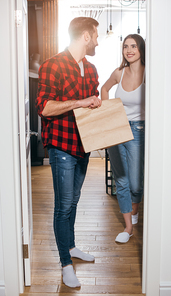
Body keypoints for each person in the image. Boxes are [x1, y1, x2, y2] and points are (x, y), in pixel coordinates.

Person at [36, 17, 101, 288]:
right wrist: (80, 102)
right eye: (96, 35)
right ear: (85, 36)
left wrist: (97, 106)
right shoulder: (53, 65)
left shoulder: (92, 68)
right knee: (63, 207)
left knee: (73, 201)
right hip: (61, 146)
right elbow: (45, 107)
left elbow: (92, 106)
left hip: (82, 145)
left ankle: (71, 247)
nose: (98, 40)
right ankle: (65, 265)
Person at [101, 34, 145, 243]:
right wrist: (107, 114)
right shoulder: (119, 72)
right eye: (126, 46)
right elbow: (104, 88)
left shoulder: (149, 74)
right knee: (122, 179)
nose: (129, 50)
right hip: (116, 128)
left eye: (133, 46)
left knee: (136, 183)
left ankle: (134, 208)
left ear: (141, 49)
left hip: (139, 130)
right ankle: (128, 228)